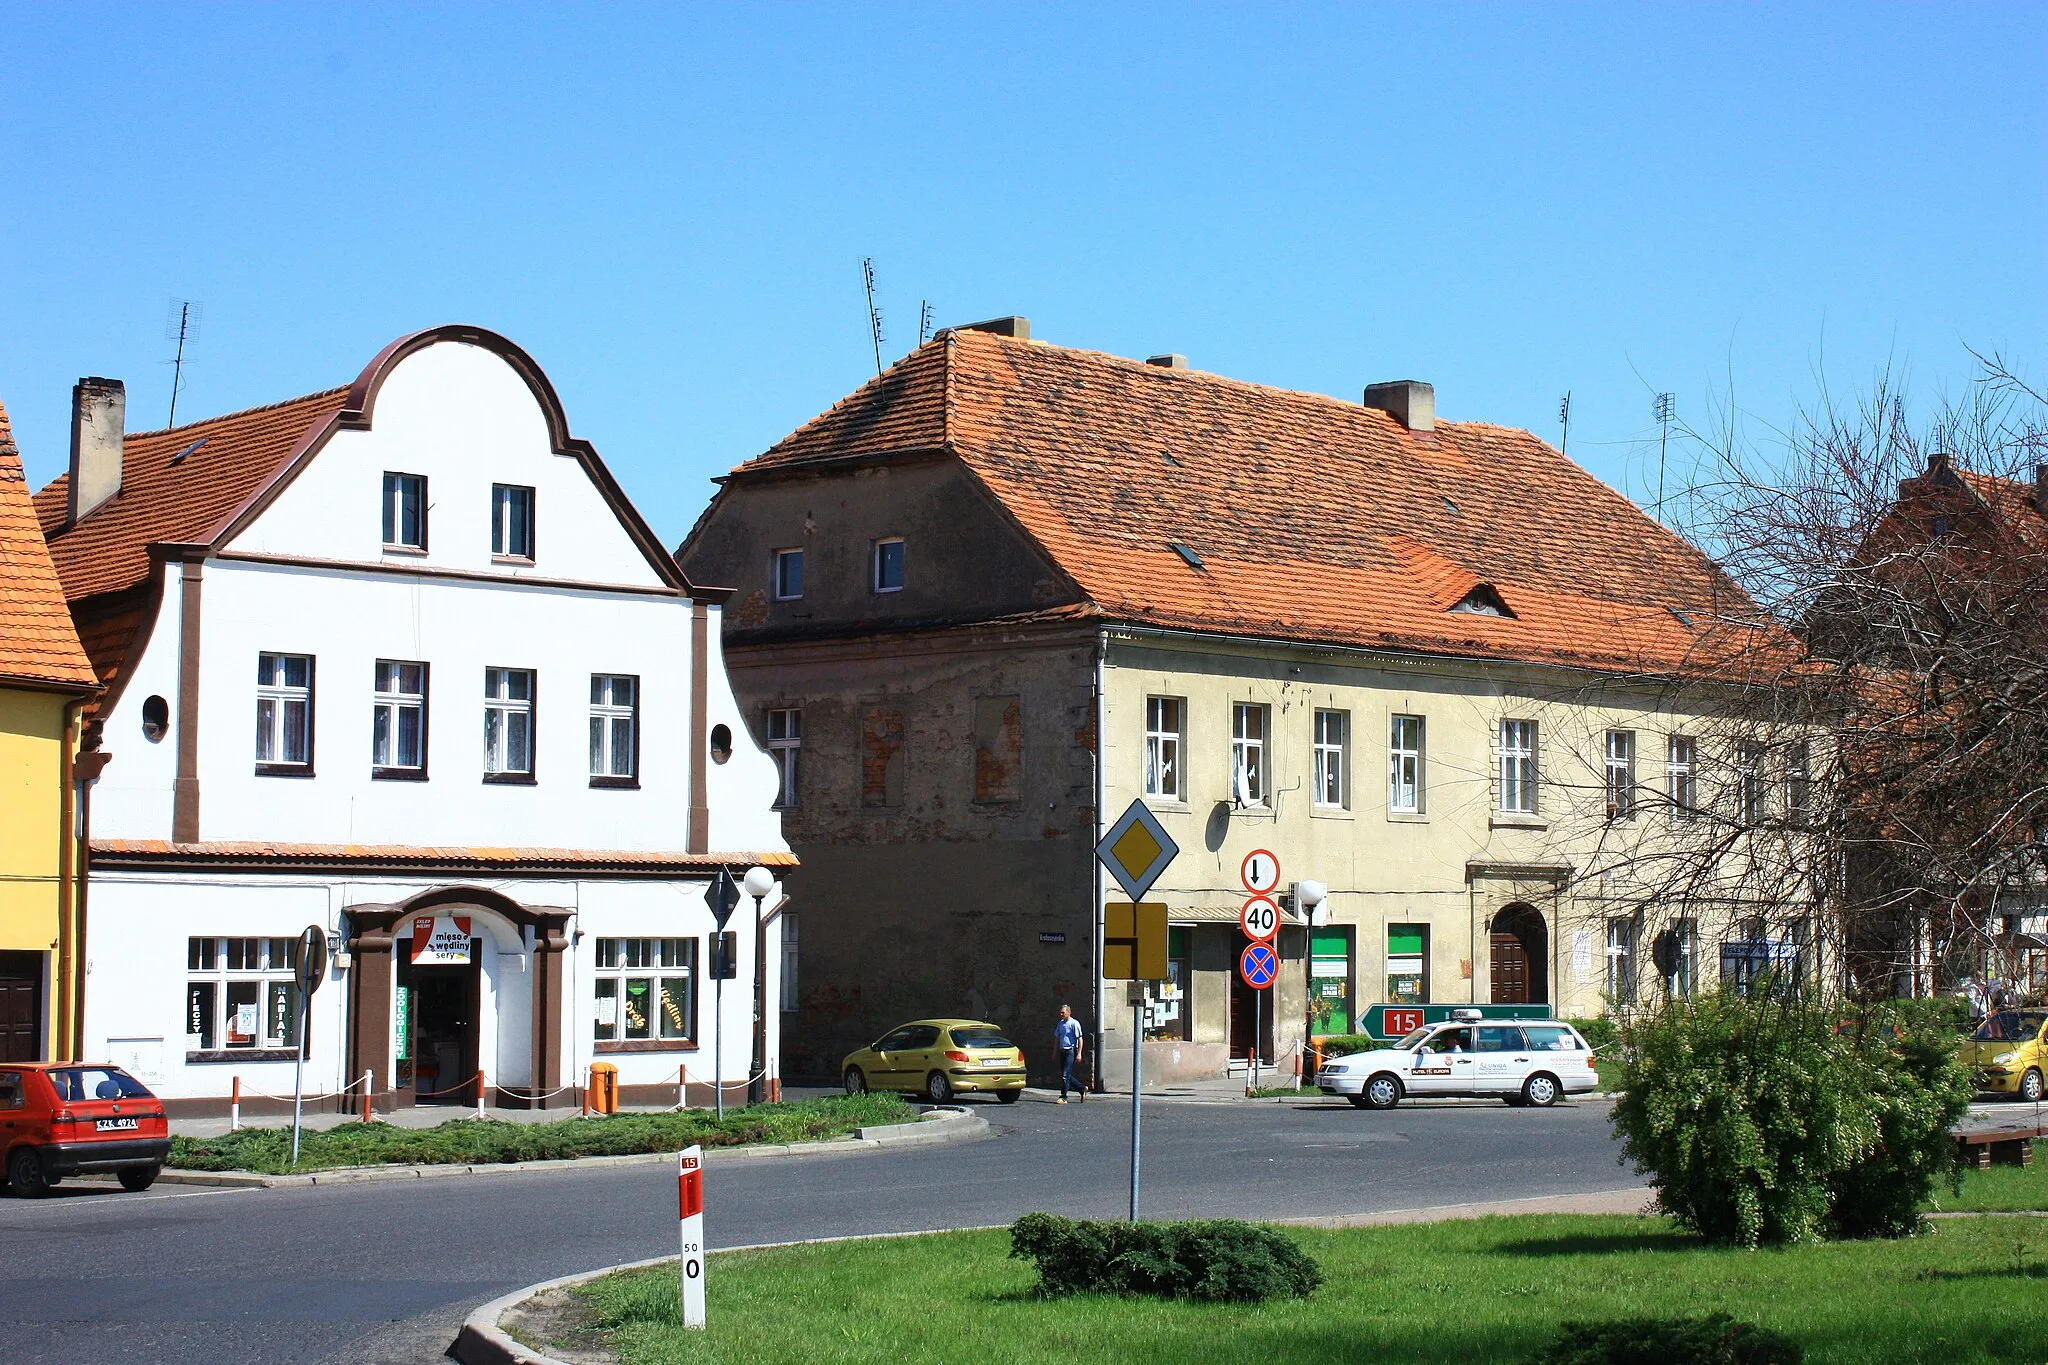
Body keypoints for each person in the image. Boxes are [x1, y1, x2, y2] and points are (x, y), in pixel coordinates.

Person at [1054, 1005, 1085, 1103]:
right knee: (1066, 1074)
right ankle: (1082, 1088)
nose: (1061, 1014)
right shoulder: (1060, 1024)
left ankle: (1063, 1096)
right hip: (1062, 1050)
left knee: (1065, 1074)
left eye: (1063, 1013)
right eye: (1060, 1012)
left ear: (1069, 1012)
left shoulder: (1074, 1023)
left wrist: (1079, 1053)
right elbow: (1057, 1039)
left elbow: (1080, 1039)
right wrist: (1054, 1052)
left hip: (1070, 1051)